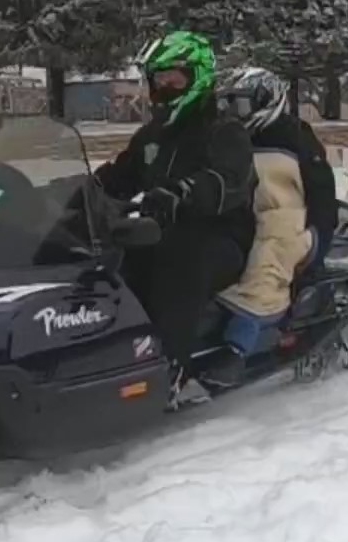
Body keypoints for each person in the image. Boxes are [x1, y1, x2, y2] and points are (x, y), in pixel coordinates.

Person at [93, 28, 257, 401]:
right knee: (110, 257)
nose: (164, 88)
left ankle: (170, 369)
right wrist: (78, 192)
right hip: (159, 229)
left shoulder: (224, 131)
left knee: (180, 257)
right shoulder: (152, 136)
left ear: (197, 78)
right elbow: (121, 176)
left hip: (221, 238)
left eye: (173, 79)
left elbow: (228, 181)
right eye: (158, 80)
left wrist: (183, 192)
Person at [203, 69, 337, 383]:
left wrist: (317, 236)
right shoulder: (233, 140)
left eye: (242, 106)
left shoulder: (296, 139)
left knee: (268, 253)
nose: (236, 114)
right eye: (230, 105)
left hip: (292, 222)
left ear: (267, 102)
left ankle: (238, 344)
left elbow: (322, 195)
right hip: (247, 214)